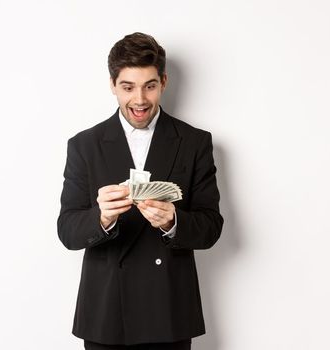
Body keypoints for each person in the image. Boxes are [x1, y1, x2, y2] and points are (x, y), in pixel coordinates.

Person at [57, 32, 224, 350]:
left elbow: (211, 228)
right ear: (112, 85)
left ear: (164, 81)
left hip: (169, 311)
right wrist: (101, 217)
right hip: (106, 314)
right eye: (128, 87)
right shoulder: (84, 145)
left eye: (149, 85)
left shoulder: (194, 142)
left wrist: (173, 222)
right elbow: (67, 231)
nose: (140, 99)